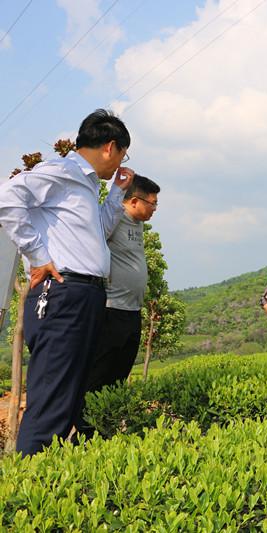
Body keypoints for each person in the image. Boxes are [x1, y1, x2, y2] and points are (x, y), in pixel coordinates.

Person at [0, 109, 133, 455]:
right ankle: (30, 482)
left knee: (70, 398)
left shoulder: (86, 183)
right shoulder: (62, 170)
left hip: (85, 294)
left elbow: (96, 233)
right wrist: (38, 255)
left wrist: (116, 194)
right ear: (110, 147)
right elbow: (7, 199)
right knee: (52, 402)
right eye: (122, 154)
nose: (120, 163)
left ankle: (52, 479)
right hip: (63, 293)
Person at [75, 175, 160, 438]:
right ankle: (85, 433)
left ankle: (106, 431)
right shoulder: (114, 218)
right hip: (111, 309)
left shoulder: (137, 224)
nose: (155, 209)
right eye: (152, 203)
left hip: (132, 312)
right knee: (99, 375)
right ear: (134, 201)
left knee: (119, 376)